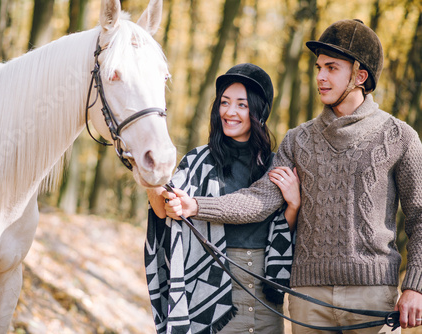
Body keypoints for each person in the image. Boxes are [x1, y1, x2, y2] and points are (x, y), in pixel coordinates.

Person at [159, 19, 422, 333]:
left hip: (372, 297)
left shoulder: (400, 137)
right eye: (318, 67)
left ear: (360, 76)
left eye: (332, 68)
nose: (321, 77)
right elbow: (259, 199)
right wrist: (196, 206)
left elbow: (420, 216)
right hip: (307, 299)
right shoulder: (298, 140)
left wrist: (415, 287)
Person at [145, 63, 301, 334]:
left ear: (259, 111)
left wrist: (293, 205)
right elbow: (163, 211)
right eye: (225, 103)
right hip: (212, 288)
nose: (230, 112)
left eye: (242, 105)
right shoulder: (198, 161)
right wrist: (147, 167)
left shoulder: (275, 165)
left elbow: (279, 234)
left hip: (265, 294)